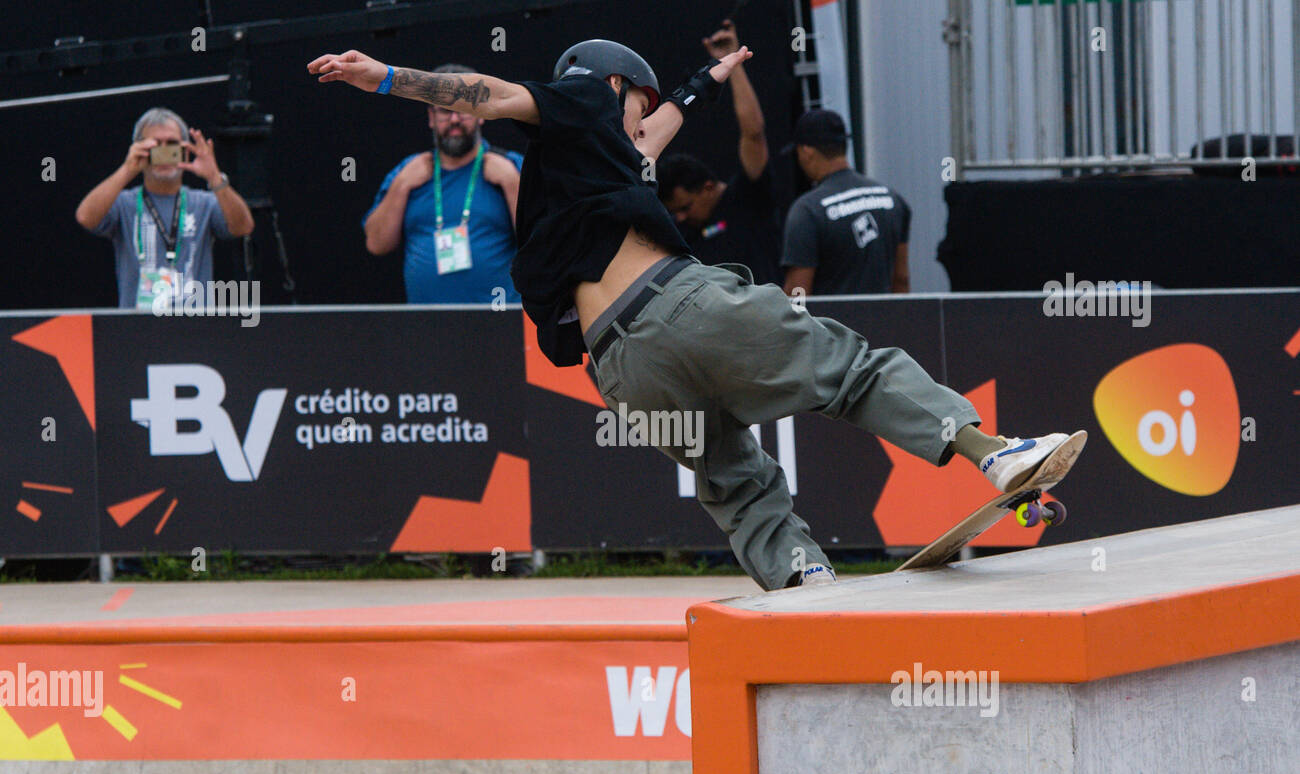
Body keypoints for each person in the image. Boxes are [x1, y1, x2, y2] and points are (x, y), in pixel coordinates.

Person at [308, 42, 1081, 591]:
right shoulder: (579, 99)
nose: (644, 126)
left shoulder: (584, 161)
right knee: (850, 369)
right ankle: (994, 454)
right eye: (635, 106)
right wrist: (384, 79)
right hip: (684, 305)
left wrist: (704, 82)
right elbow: (486, 93)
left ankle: (800, 574)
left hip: (622, 372)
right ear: (610, 87)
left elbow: (661, 122)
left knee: (734, 482)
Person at [363, 63, 524, 305]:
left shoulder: (510, 167)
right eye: (445, 111)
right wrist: (401, 185)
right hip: (427, 328)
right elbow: (376, 244)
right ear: (431, 117)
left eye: (463, 109)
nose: (455, 119)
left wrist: (512, 184)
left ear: (481, 114)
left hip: (501, 323)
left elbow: (545, 245)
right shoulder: (407, 171)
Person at [75, 107, 255, 309]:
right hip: (137, 329)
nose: (163, 152)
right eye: (155, 145)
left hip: (195, 329)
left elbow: (243, 226)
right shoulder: (124, 203)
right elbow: (85, 217)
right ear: (139, 148)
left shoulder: (204, 202)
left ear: (184, 151)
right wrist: (128, 169)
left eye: (171, 145)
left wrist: (215, 178)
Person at [655, 19, 782, 286]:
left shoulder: (748, 197)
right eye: (675, 212)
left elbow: (754, 133)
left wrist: (731, 63)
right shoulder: (683, 233)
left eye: (685, 207)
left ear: (708, 187)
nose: (680, 217)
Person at [780, 108, 910, 297]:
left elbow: (798, 295)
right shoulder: (892, 200)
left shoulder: (807, 211)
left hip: (832, 326)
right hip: (883, 324)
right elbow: (901, 280)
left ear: (806, 151)